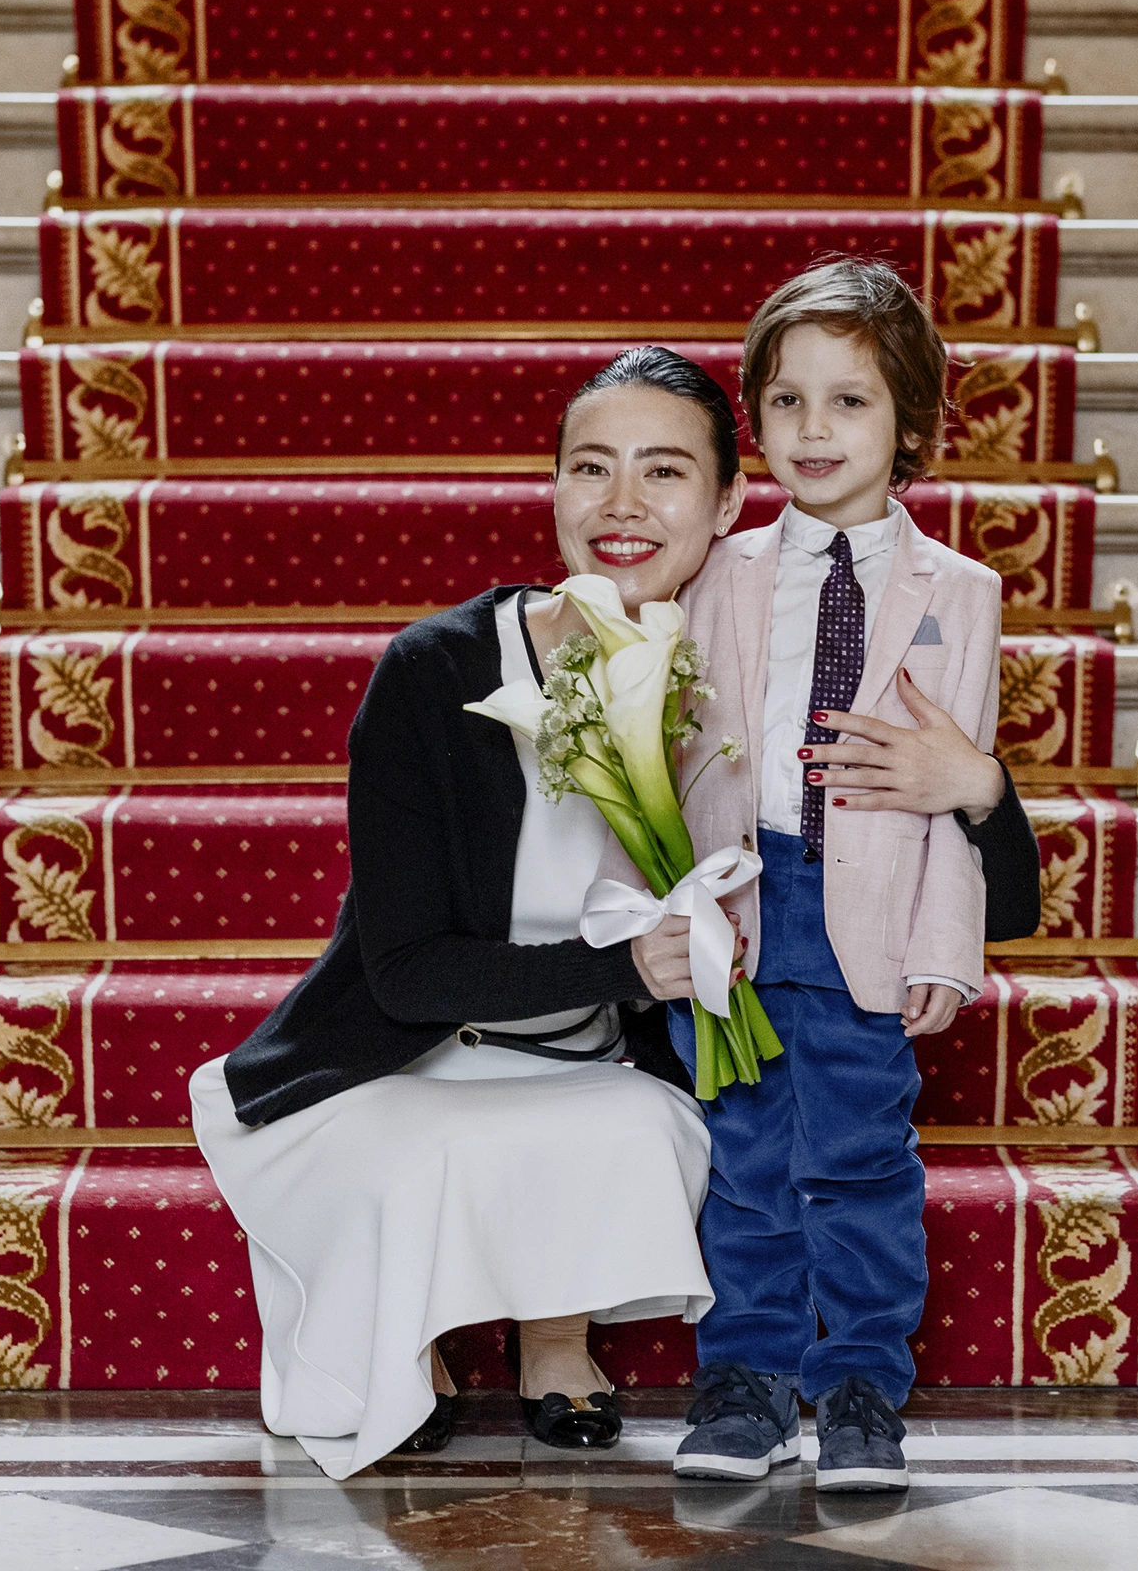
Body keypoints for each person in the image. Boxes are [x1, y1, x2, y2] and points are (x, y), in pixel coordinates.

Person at [190, 342, 1039, 1481]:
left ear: (734, 504)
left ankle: (557, 1335)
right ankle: (419, 1331)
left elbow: (937, 863)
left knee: (686, 1126)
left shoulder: (731, 667)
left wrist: (981, 786)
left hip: (590, 1061)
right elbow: (405, 973)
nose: (622, 505)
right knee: (448, 1147)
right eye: (590, 469)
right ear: (552, 489)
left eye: (665, 473)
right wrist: (639, 967)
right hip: (404, 1055)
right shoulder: (434, 671)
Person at [669, 259, 1037, 1493]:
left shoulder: (961, 593)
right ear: (754, 420)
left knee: (860, 1158)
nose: (813, 431)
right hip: (745, 903)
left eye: (849, 403)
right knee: (746, 1151)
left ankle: (863, 1384)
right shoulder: (716, 573)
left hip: (872, 910)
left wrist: (944, 947)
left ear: (911, 425)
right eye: (785, 403)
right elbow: (676, 755)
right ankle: (749, 1379)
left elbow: (952, 784)